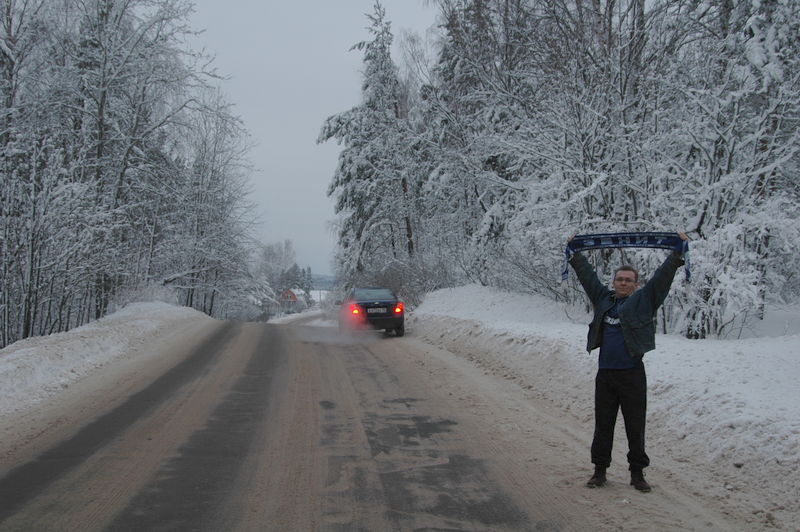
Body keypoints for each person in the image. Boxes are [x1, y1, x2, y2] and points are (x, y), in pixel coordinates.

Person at [567, 232, 688, 492]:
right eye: (619, 279)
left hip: (632, 374)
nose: (623, 283)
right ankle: (599, 471)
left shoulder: (645, 301)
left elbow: (661, 279)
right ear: (614, 282)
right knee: (603, 426)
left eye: (628, 280)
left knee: (635, 426)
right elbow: (588, 277)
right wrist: (575, 254)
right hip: (606, 375)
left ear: (635, 284)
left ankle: (637, 474)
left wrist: (677, 254)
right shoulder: (604, 300)